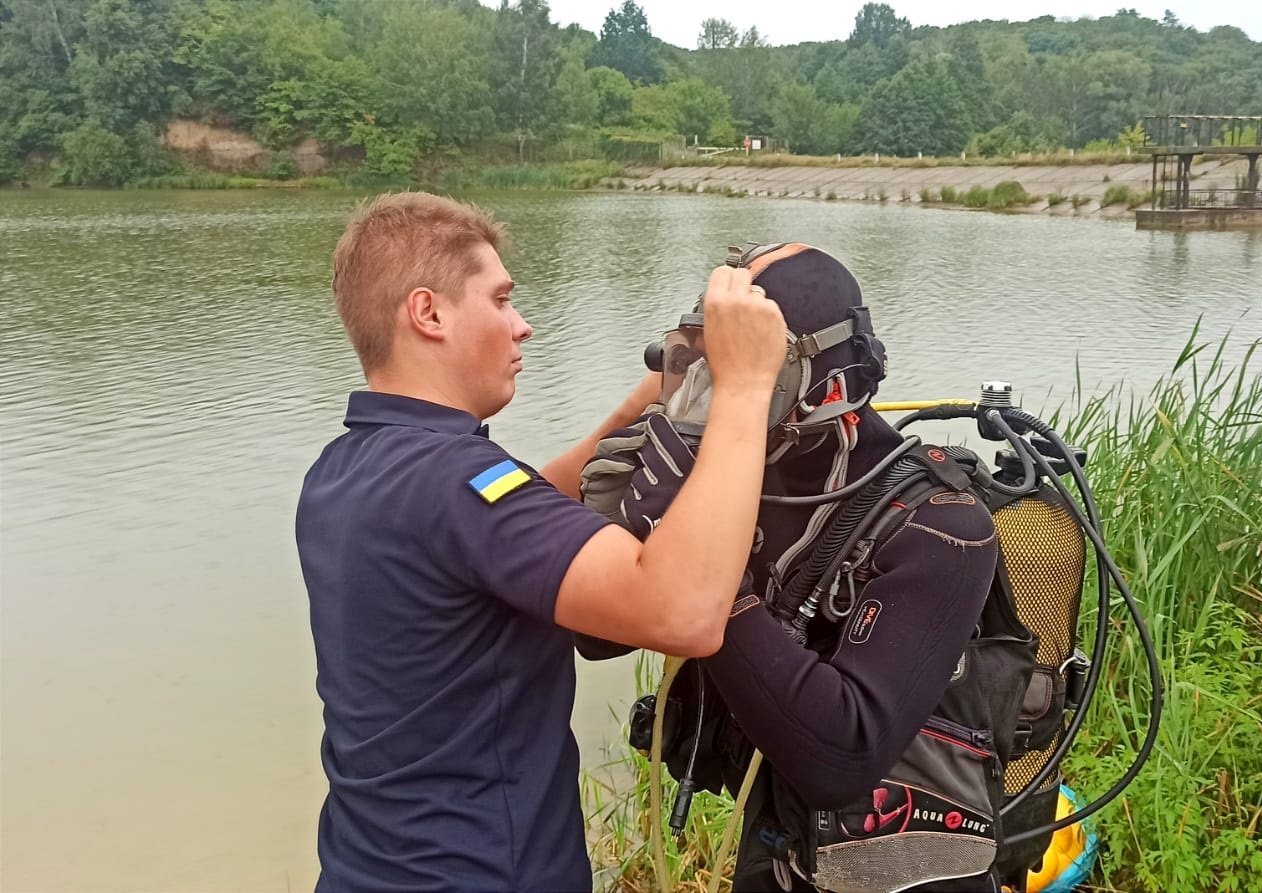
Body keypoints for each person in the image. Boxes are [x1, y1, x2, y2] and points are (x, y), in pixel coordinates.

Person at [295, 192, 786, 893]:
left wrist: (653, 396)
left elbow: (526, 507)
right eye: (500, 300)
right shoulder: (458, 486)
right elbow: (684, 612)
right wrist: (744, 387)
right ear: (428, 312)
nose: (522, 326)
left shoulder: (347, 469)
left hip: (366, 868)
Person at [580, 244, 1023, 892]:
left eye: (752, 370)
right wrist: (634, 529)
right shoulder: (737, 479)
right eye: (705, 363)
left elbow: (841, 756)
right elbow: (596, 636)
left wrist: (706, 572)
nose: (721, 393)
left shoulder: (942, 526)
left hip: (908, 872)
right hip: (778, 850)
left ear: (833, 389)